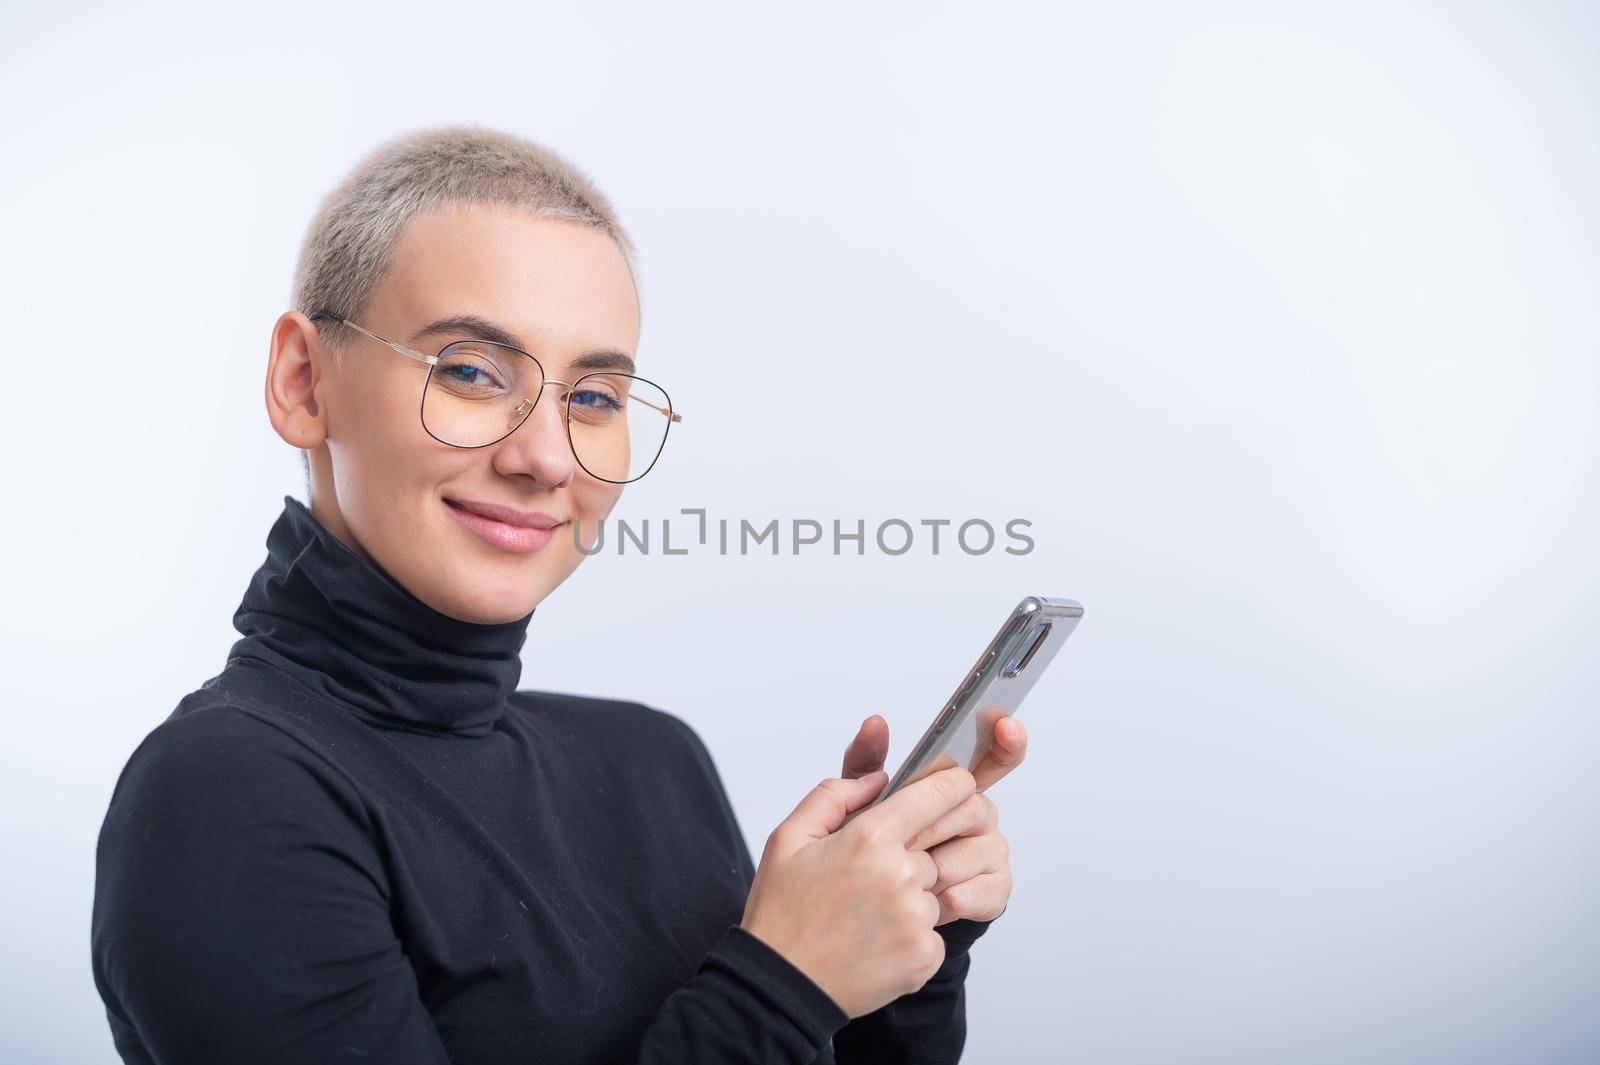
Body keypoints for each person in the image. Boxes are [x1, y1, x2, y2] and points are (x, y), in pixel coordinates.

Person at [90, 125, 1029, 1064]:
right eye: (469, 371)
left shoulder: (652, 759)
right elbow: (760, 1019)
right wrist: (784, 981)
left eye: (593, 398)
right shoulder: (224, 793)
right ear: (303, 383)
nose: (543, 458)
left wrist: (899, 952)